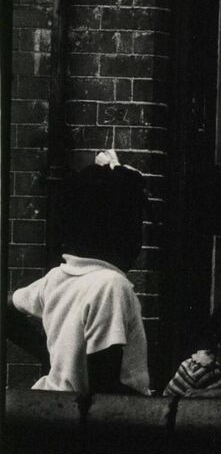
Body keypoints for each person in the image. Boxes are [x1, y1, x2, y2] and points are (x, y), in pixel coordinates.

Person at [7, 154, 150, 395]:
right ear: (119, 232)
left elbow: (6, 305)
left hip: (57, 406)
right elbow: (104, 389)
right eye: (136, 226)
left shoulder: (59, 277)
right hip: (93, 422)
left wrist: (53, 358)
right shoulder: (111, 285)